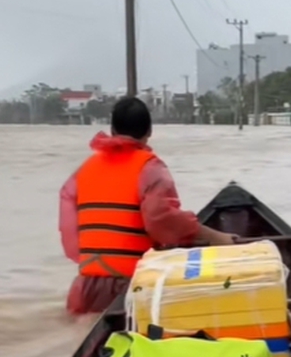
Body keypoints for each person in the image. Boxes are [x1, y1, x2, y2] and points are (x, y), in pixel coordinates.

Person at [59, 96, 235, 315]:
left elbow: (70, 236)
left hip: (84, 289)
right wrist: (216, 237)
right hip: (131, 286)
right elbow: (163, 221)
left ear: (112, 129)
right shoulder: (150, 169)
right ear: (149, 131)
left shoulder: (82, 172)